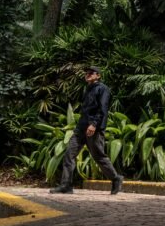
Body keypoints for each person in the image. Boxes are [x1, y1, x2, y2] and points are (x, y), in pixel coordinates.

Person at [50, 66, 123, 194]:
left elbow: (103, 109)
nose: (87, 75)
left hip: (93, 128)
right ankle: (66, 185)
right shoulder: (88, 89)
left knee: (98, 156)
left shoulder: (103, 89)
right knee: (69, 154)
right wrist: (79, 126)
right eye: (86, 73)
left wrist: (94, 125)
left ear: (98, 75)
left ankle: (116, 178)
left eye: (91, 73)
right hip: (81, 128)